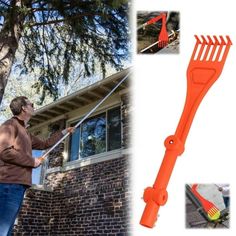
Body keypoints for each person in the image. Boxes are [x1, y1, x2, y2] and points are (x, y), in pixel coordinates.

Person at [0, 96, 74, 236]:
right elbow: (4, 152)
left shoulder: (25, 132)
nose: (33, 106)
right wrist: (32, 161)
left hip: (18, 185)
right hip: (8, 184)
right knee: (2, 229)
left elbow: (44, 144)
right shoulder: (10, 125)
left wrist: (65, 132)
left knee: (7, 229)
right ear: (23, 108)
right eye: (31, 104)